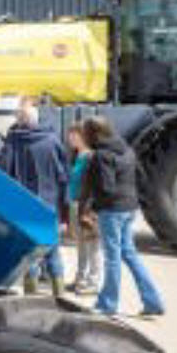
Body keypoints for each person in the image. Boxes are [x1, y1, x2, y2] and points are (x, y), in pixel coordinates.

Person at [80, 115, 165, 318]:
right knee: (129, 254)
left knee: (112, 258)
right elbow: (140, 177)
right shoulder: (126, 149)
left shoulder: (101, 155)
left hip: (112, 210)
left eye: (85, 133)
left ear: (93, 133)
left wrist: (92, 207)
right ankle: (153, 302)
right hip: (129, 207)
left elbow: (106, 187)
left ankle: (107, 304)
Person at [0, 100, 68, 296]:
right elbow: (63, 176)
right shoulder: (52, 140)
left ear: (19, 121)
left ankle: (32, 296)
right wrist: (63, 209)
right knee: (52, 248)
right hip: (49, 203)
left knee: (28, 251)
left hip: (24, 204)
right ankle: (59, 295)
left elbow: (4, 171)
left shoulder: (13, 141)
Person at [65, 123, 101, 294]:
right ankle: (80, 278)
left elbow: (95, 185)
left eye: (74, 135)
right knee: (80, 245)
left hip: (86, 207)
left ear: (84, 136)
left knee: (92, 245)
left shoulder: (91, 157)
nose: (70, 139)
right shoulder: (76, 156)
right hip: (75, 204)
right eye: (69, 135)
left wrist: (90, 209)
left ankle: (93, 282)